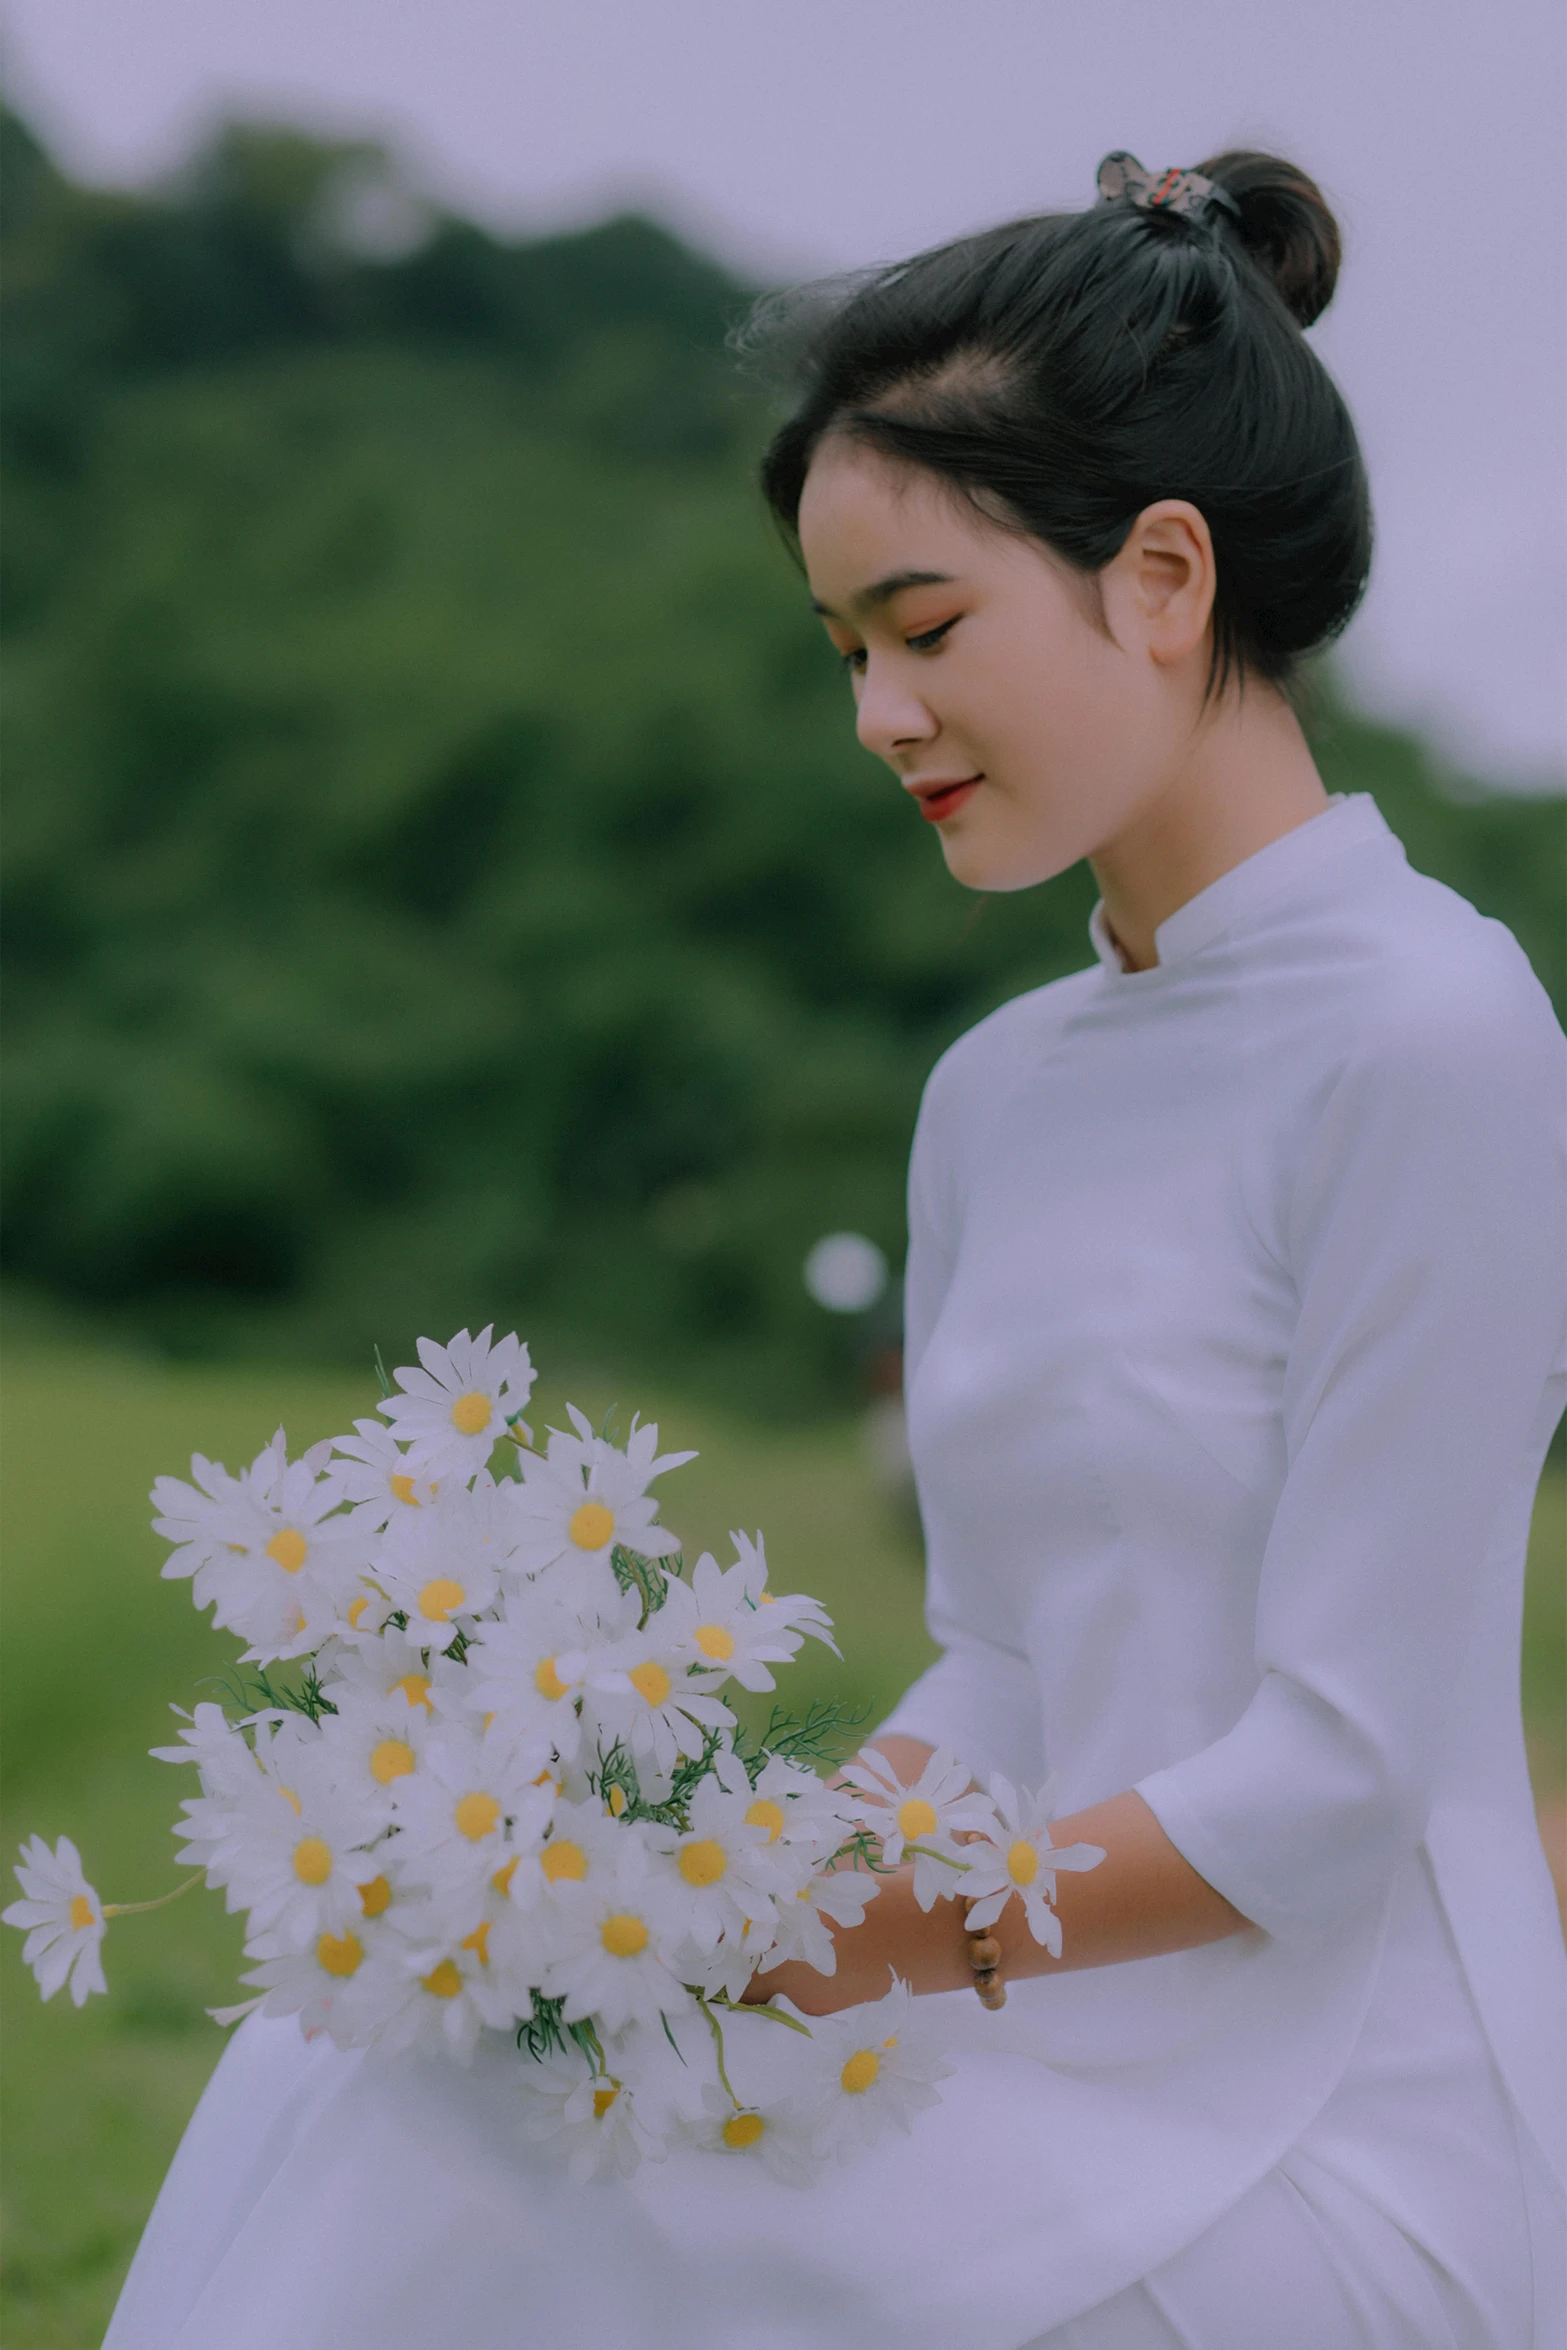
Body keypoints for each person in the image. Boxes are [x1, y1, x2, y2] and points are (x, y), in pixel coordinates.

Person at [105, 150, 1565, 2350]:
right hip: (1028, 2028)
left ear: (1163, 577)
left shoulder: (1437, 1039)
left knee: (489, 2179)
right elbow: (994, 1669)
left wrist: (835, 1937)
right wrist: (652, 1889)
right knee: (376, 2059)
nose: (878, 715)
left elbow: (1337, 1778)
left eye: (928, 629)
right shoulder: (999, 1092)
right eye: (844, 649)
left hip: (1343, 2109)